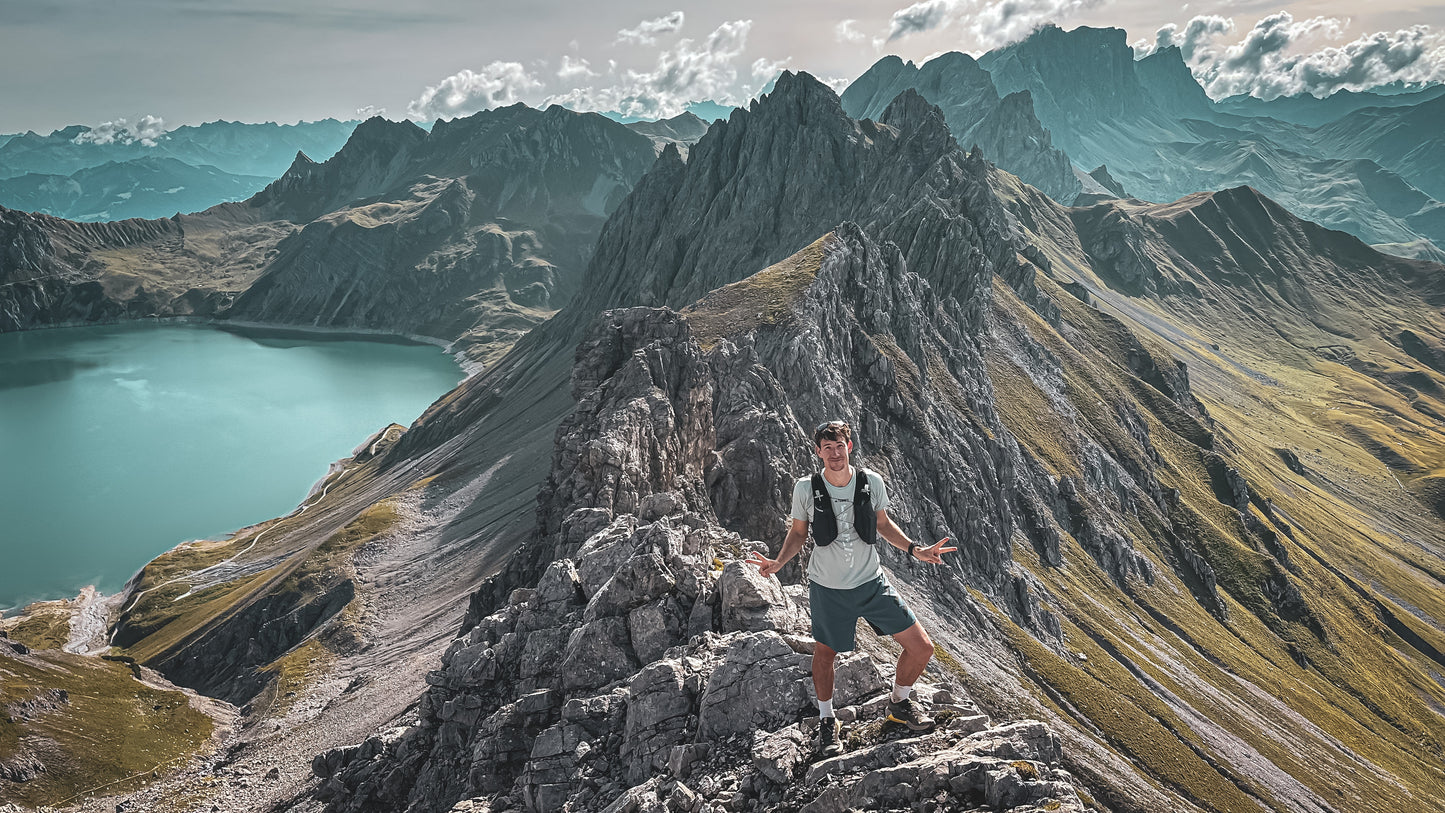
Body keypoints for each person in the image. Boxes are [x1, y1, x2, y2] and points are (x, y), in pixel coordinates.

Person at [747, 420, 957, 758]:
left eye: (839, 446)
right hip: (827, 587)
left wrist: (915, 550)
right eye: (826, 447)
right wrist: (779, 562)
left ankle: (898, 705)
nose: (834, 453)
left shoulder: (871, 482)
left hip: (871, 582)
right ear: (818, 452)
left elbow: (883, 524)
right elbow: (799, 532)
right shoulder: (806, 488)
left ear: (850, 447)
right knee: (826, 654)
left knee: (922, 649)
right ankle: (827, 721)